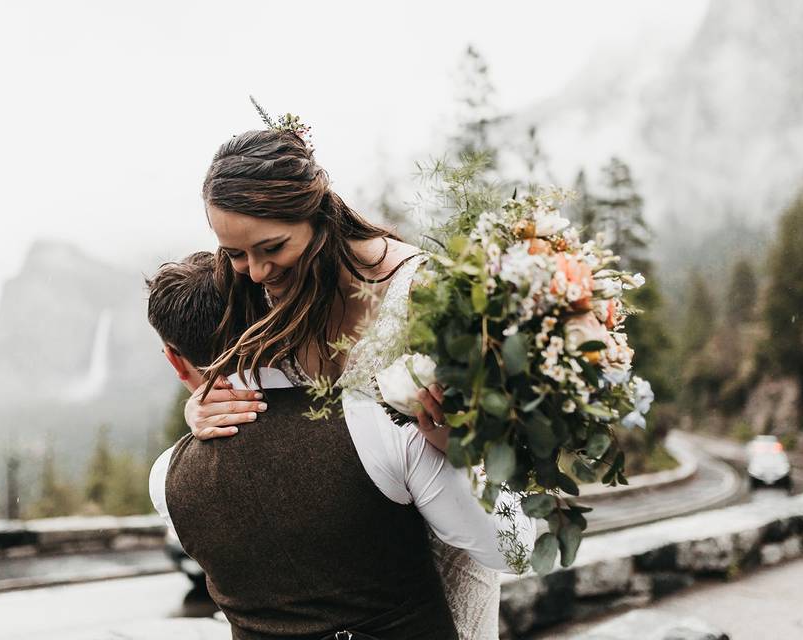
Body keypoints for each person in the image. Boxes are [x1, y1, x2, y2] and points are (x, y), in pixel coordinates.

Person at [184, 126, 516, 638]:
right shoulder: (258, 294)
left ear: (316, 215)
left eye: (272, 247)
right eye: (233, 253)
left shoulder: (426, 292)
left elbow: (509, 461)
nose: (254, 271)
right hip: (326, 591)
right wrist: (202, 409)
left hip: (441, 576)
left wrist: (463, 443)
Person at [148, 251, 534, 639]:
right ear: (277, 316)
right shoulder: (381, 421)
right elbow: (514, 550)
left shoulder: (166, 478)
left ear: (175, 361)